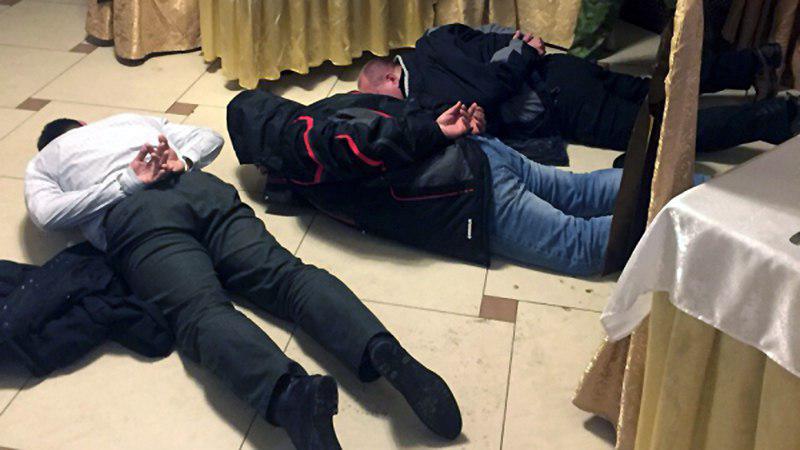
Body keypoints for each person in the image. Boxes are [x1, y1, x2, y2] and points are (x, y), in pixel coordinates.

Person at [24, 114, 462, 450]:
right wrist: (183, 160)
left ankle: (292, 396)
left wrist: (126, 183)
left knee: (200, 311)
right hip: (201, 189)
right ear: (84, 124)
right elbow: (209, 137)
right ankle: (382, 350)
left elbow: (47, 215)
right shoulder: (129, 120)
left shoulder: (42, 163)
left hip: (136, 218)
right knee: (288, 278)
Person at [229, 90, 705, 276]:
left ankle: (701, 230)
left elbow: (355, 148)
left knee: (580, 246)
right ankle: (698, 189)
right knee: (576, 191)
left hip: (466, 189)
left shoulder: (299, 142)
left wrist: (434, 131)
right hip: (480, 153)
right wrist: (442, 126)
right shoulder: (329, 105)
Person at [357, 23, 797, 161]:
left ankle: (776, 118)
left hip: (562, 101)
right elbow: (497, 37)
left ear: (391, 80)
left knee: (663, 132)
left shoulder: (423, 95)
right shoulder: (434, 38)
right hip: (563, 67)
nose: (383, 108)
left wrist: (510, 63)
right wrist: (520, 49)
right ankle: (755, 61)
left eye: (379, 98)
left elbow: (489, 88)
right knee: (659, 88)